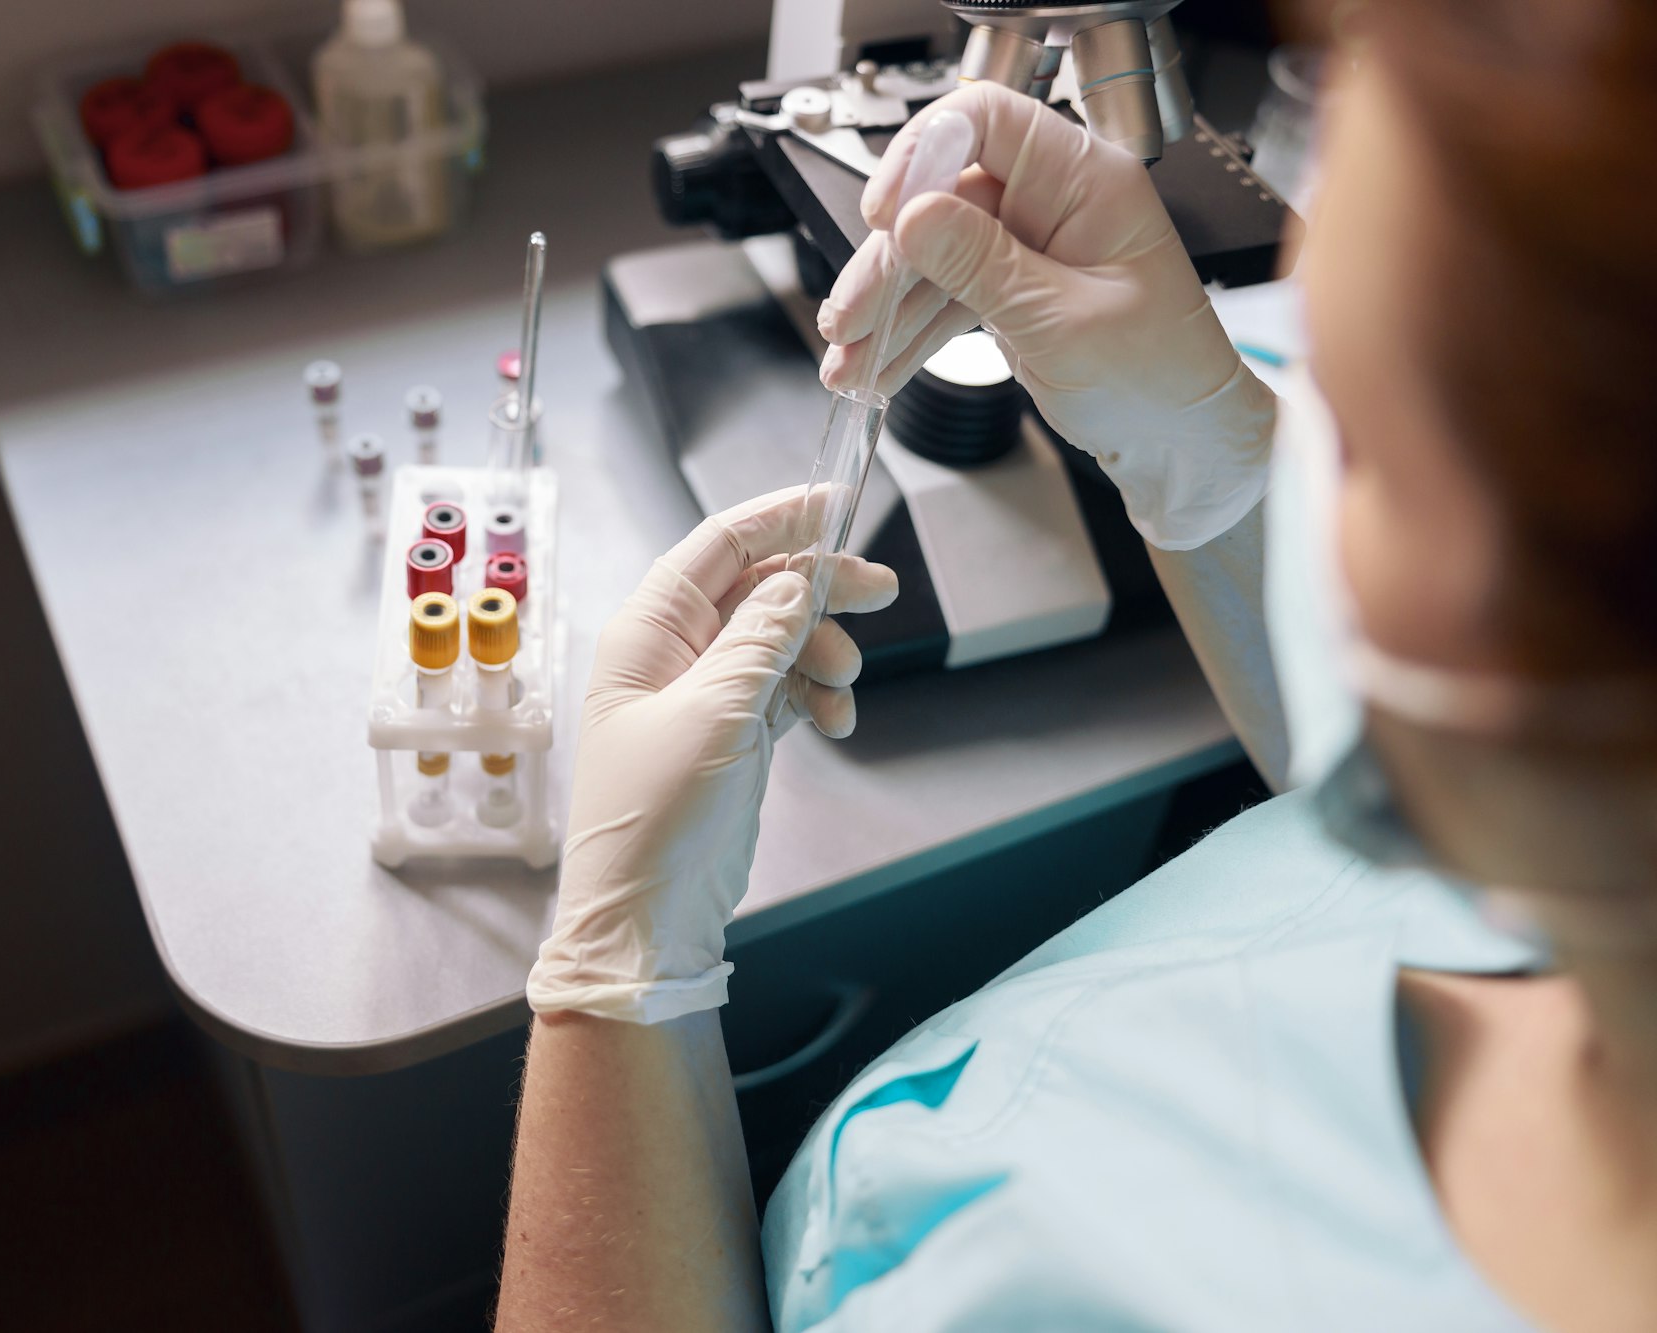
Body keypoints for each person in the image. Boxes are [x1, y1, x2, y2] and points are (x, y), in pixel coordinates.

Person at [496, 0, 1657, 1327]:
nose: (1307, 448)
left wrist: (614, 978)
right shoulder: (1573, 870)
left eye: (1360, 434)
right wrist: (1203, 438)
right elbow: (1425, 801)